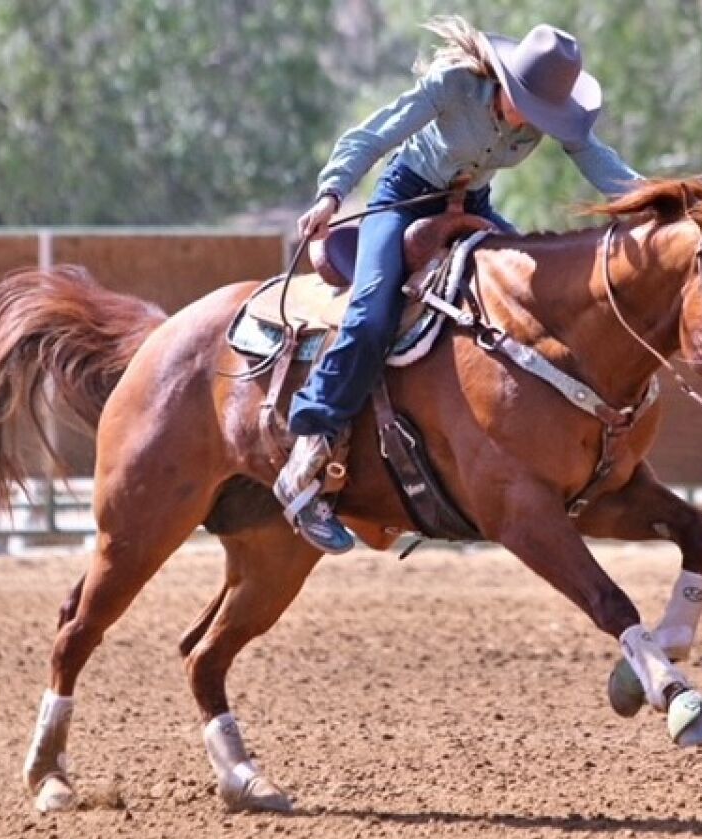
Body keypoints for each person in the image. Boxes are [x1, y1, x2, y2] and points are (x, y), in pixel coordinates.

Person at [274, 16, 643, 553]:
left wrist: (662, 202)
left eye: (546, 115)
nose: (534, 124)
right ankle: (308, 447)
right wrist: (332, 193)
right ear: (505, 84)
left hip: (472, 206)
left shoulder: (548, 121)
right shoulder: (453, 87)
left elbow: (599, 162)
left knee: (536, 309)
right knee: (373, 312)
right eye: (531, 107)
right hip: (403, 201)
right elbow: (375, 133)